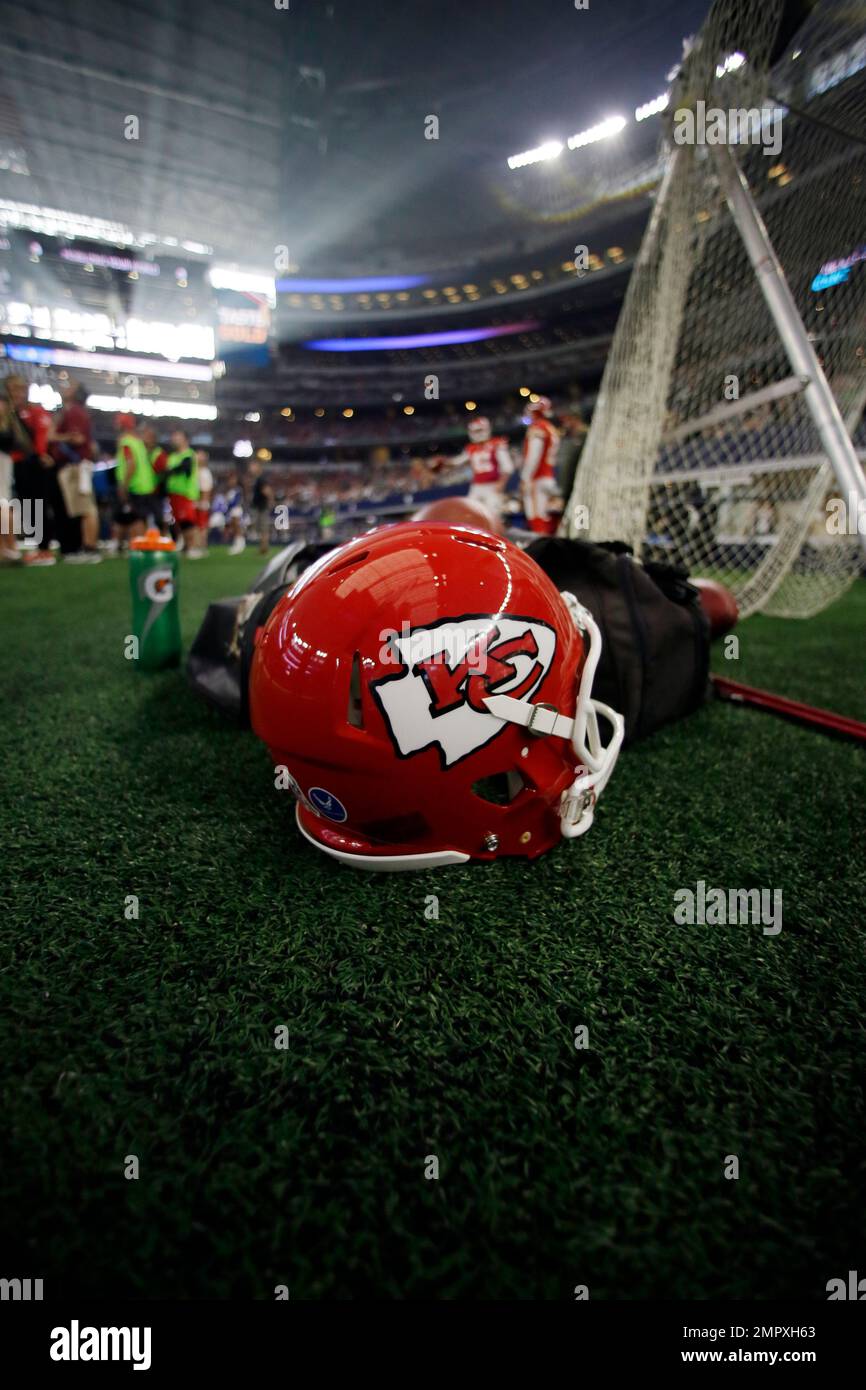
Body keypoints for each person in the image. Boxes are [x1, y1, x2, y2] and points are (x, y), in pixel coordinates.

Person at [0, 375, 58, 565]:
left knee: (36, 505)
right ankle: (34, 547)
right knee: (25, 506)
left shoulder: (33, 411)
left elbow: (41, 435)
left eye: (21, 389)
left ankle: (43, 550)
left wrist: (41, 453)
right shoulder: (10, 412)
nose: (18, 393)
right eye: (14, 389)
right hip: (16, 463)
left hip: (32, 463)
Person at [50, 379, 100, 562]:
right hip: (79, 464)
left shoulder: (74, 412)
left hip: (75, 464)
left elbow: (77, 439)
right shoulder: (76, 412)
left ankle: (89, 548)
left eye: (70, 386)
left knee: (85, 508)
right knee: (84, 507)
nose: (65, 387)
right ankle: (87, 547)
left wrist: (54, 435)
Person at [430, 416, 513, 525]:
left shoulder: (496, 444)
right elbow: (457, 462)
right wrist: (443, 462)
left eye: (479, 430)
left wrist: (501, 483)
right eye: (474, 431)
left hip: (492, 485)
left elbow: (508, 467)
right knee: (471, 514)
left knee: (494, 515)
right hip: (477, 487)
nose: (476, 434)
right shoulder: (471, 448)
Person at [114, 414, 158, 546]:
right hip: (145, 485)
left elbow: (131, 464)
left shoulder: (126, 442)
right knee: (134, 517)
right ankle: (127, 544)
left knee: (136, 518)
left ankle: (140, 546)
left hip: (136, 486)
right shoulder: (138, 442)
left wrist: (124, 486)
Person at [521, 396, 562, 535]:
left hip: (536, 479)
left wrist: (525, 478)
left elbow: (534, 456)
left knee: (537, 519)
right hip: (548, 476)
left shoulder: (537, 428)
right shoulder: (550, 428)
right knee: (548, 518)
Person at [165, 428, 203, 557]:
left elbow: (182, 469)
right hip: (174, 493)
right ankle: (187, 545)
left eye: (178, 436)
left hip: (186, 493)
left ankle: (194, 547)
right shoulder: (173, 456)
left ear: (185, 439)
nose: (175, 439)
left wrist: (170, 471)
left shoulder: (189, 454)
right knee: (180, 521)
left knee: (188, 521)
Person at [249, 462, 273, 555]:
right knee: (261, 529)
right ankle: (262, 548)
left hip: (261, 507)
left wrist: (271, 500)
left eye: (253, 466)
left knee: (263, 529)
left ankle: (264, 549)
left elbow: (266, 490)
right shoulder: (257, 479)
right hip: (259, 507)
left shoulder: (261, 479)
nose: (251, 469)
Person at [195, 449, 213, 550]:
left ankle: (202, 545)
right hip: (198, 503)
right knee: (198, 526)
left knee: (201, 527)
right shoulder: (198, 471)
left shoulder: (205, 472)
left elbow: (206, 490)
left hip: (201, 504)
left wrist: (202, 503)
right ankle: (199, 545)